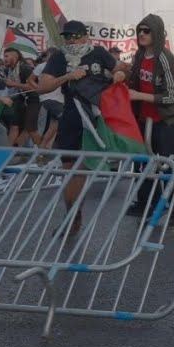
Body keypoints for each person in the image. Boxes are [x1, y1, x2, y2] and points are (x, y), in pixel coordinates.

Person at [40, 21, 117, 229]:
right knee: (70, 168)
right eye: (67, 37)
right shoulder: (59, 56)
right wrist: (67, 76)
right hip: (72, 115)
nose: (71, 40)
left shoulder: (99, 53)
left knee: (90, 164)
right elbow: (42, 86)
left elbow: (119, 71)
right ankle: (73, 217)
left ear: (85, 36)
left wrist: (118, 76)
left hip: (98, 115)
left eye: (75, 36)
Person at [125, 13, 174, 223]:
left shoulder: (166, 59)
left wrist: (138, 96)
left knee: (171, 163)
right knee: (144, 163)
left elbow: (171, 96)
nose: (142, 34)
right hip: (143, 120)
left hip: (165, 120)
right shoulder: (138, 56)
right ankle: (148, 203)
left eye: (147, 30)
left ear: (157, 33)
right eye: (140, 30)